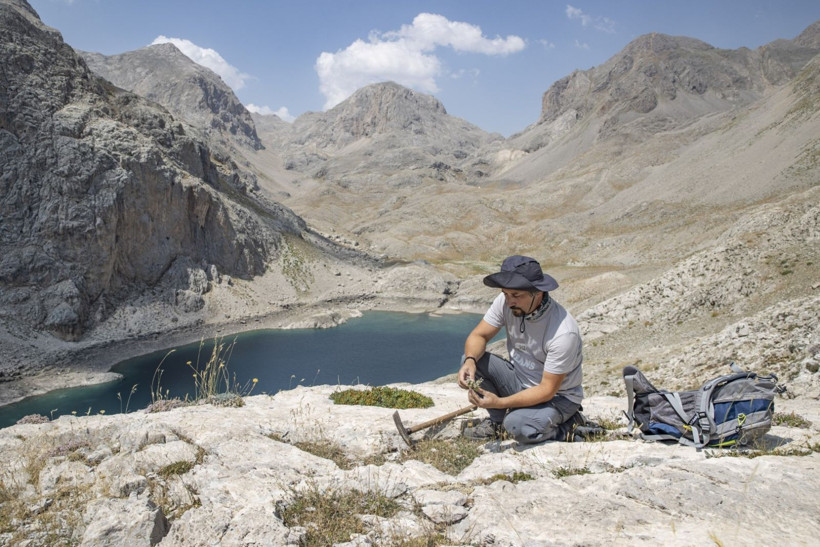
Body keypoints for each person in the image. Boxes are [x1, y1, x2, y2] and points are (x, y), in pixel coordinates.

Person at [458, 255, 585, 444]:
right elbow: (479, 336)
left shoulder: (563, 333)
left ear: (538, 293)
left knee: (517, 427)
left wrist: (500, 402)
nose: (509, 302)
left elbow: (546, 390)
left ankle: (569, 425)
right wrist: (470, 361)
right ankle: (498, 423)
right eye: (506, 294)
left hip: (557, 398)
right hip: (520, 382)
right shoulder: (507, 301)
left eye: (516, 295)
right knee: (472, 360)